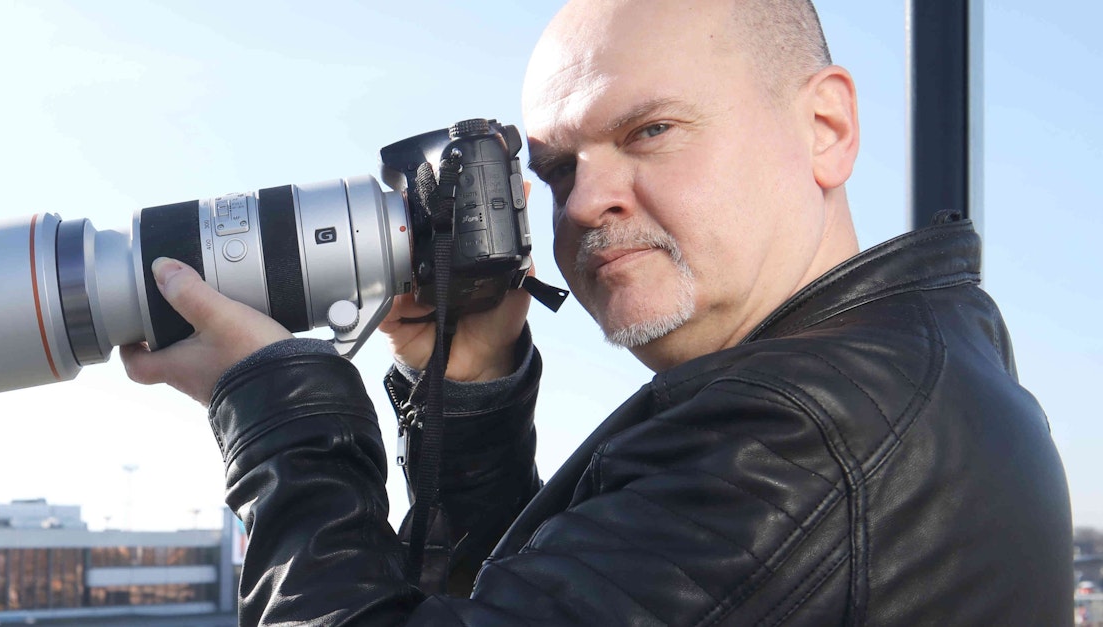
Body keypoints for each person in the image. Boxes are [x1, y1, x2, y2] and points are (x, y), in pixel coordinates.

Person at [117, 0, 1072, 623]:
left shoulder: (807, 433)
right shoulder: (908, 360)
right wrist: (471, 388)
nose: (582, 203)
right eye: (556, 168)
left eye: (649, 131)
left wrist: (280, 407)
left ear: (826, 128)